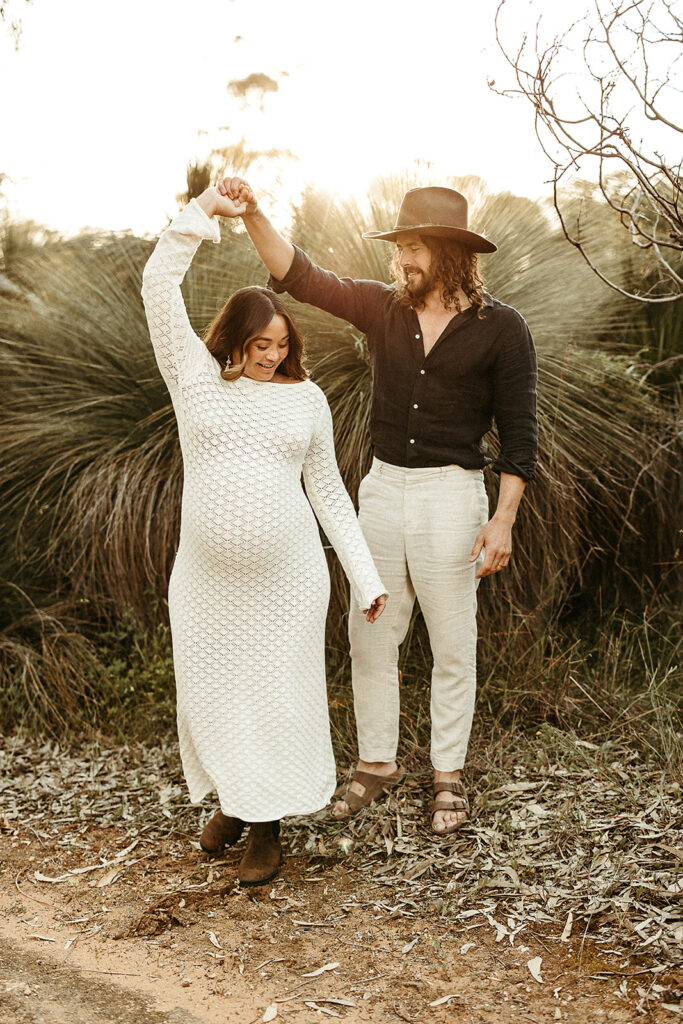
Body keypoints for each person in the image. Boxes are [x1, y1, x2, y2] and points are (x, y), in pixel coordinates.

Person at [219, 177, 538, 835]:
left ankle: (446, 776)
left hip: (453, 495)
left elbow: (520, 432)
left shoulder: (502, 329)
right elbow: (299, 275)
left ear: (450, 254)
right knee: (371, 632)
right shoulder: (382, 308)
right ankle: (376, 764)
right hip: (382, 490)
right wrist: (253, 214)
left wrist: (502, 518)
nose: (402, 261)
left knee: (452, 642)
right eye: (399, 249)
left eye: (414, 249)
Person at [141, 185, 386, 886]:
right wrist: (205, 212)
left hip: (289, 579)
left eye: (282, 346)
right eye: (260, 345)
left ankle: (264, 830)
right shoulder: (193, 377)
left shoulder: (305, 400)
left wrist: (364, 576)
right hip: (207, 581)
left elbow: (329, 494)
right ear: (233, 338)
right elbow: (158, 284)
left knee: (277, 695)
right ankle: (234, 801)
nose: (272, 357)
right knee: (214, 692)